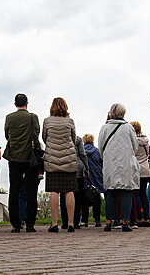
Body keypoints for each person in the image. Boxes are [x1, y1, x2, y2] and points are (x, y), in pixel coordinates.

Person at [3, 93, 40, 233]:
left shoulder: (9, 117)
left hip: (13, 157)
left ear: (15, 104)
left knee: (14, 190)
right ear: (27, 103)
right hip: (30, 158)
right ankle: (30, 223)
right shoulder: (32, 117)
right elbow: (36, 134)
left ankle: (15, 223)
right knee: (31, 190)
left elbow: (7, 135)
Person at [99, 103, 139, 232]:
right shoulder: (128, 128)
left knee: (111, 191)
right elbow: (135, 146)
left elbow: (100, 147)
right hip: (125, 162)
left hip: (110, 162)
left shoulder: (104, 128)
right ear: (124, 113)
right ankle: (125, 222)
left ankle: (109, 222)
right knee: (126, 190)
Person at [43, 97, 78, 233]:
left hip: (52, 159)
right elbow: (73, 138)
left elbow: (44, 138)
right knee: (69, 190)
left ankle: (54, 223)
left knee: (54, 190)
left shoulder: (47, 121)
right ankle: (70, 223)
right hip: (68, 160)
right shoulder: (70, 121)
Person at [61, 136, 88, 229]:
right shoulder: (77, 139)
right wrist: (87, 167)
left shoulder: (61, 139)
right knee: (77, 197)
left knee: (63, 196)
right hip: (77, 169)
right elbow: (82, 154)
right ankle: (75, 221)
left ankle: (65, 222)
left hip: (63, 168)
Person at [130, 121, 150, 227]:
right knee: (144, 194)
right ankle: (147, 218)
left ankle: (139, 217)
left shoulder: (132, 141)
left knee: (136, 193)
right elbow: (147, 153)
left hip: (135, 168)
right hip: (145, 168)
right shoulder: (145, 140)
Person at [82, 134, 105, 227]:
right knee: (97, 197)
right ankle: (97, 220)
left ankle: (84, 220)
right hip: (96, 176)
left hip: (86, 176)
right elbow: (101, 162)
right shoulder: (97, 151)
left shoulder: (82, 151)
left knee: (84, 199)